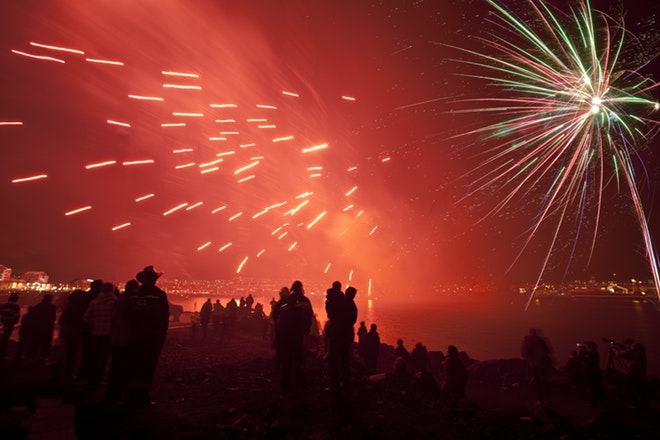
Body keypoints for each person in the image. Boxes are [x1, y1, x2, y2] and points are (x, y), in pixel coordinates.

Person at [124, 266, 169, 407]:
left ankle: (129, 396)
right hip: (152, 337)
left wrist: (136, 325)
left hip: (134, 336)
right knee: (148, 366)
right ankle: (142, 398)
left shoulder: (133, 295)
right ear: (155, 279)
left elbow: (125, 314)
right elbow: (163, 318)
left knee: (133, 365)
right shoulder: (159, 295)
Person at [276, 280, 313, 390]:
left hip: (286, 332)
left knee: (287, 357)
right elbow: (309, 316)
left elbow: (280, 315)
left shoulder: (288, 299)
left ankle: (285, 382)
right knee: (298, 356)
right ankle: (298, 380)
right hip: (298, 332)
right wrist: (307, 329)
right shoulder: (305, 300)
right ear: (301, 288)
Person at [325, 283, 358, 398]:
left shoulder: (341, 303)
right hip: (346, 336)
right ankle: (346, 384)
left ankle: (335, 386)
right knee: (344, 360)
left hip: (337, 335)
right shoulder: (353, 306)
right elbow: (352, 321)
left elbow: (332, 315)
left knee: (334, 360)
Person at [106, 280, 136, 404]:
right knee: (125, 365)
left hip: (115, 337)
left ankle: (112, 392)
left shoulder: (119, 300)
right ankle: (121, 393)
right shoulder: (130, 302)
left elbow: (112, 317)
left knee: (115, 364)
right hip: (126, 337)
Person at [84, 282, 118, 390]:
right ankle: (100, 379)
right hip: (108, 334)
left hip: (96, 333)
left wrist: (95, 322)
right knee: (104, 359)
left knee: (94, 357)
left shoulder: (95, 302)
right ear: (112, 290)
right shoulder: (115, 302)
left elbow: (86, 317)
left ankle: (91, 380)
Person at [615, 338, 649, 411]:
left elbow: (621, 354)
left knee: (627, 389)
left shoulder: (633, 350)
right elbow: (628, 352)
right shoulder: (640, 350)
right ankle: (645, 405)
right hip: (641, 373)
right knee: (640, 390)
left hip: (632, 373)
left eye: (627, 345)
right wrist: (619, 345)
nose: (626, 346)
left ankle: (636, 404)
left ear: (630, 344)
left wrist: (615, 350)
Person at [521, 328, 552, 405]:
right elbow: (547, 351)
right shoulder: (540, 340)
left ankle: (539, 400)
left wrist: (531, 361)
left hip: (534, 365)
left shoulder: (527, 341)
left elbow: (524, 353)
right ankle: (546, 400)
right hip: (543, 364)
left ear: (530, 333)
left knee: (537, 383)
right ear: (535, 333)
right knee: (545, 382)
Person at [579, 341, 607, 409]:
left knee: (591, 389)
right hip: (597, 372)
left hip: (589, 372)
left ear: (589, 346)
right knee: (600, 388)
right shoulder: (596, 353)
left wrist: (581, 350)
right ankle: (604, 403)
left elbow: (579, 358)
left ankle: (594, 404)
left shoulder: (589, 353)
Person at [0, 292, 21, 360]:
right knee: (5, 339)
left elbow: (1, 314)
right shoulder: (16, 306)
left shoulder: (4, 305)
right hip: (10, 324)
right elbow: (16, 316)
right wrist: (14, 322)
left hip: (3, 323)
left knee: (2, 338)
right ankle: (2, 355)